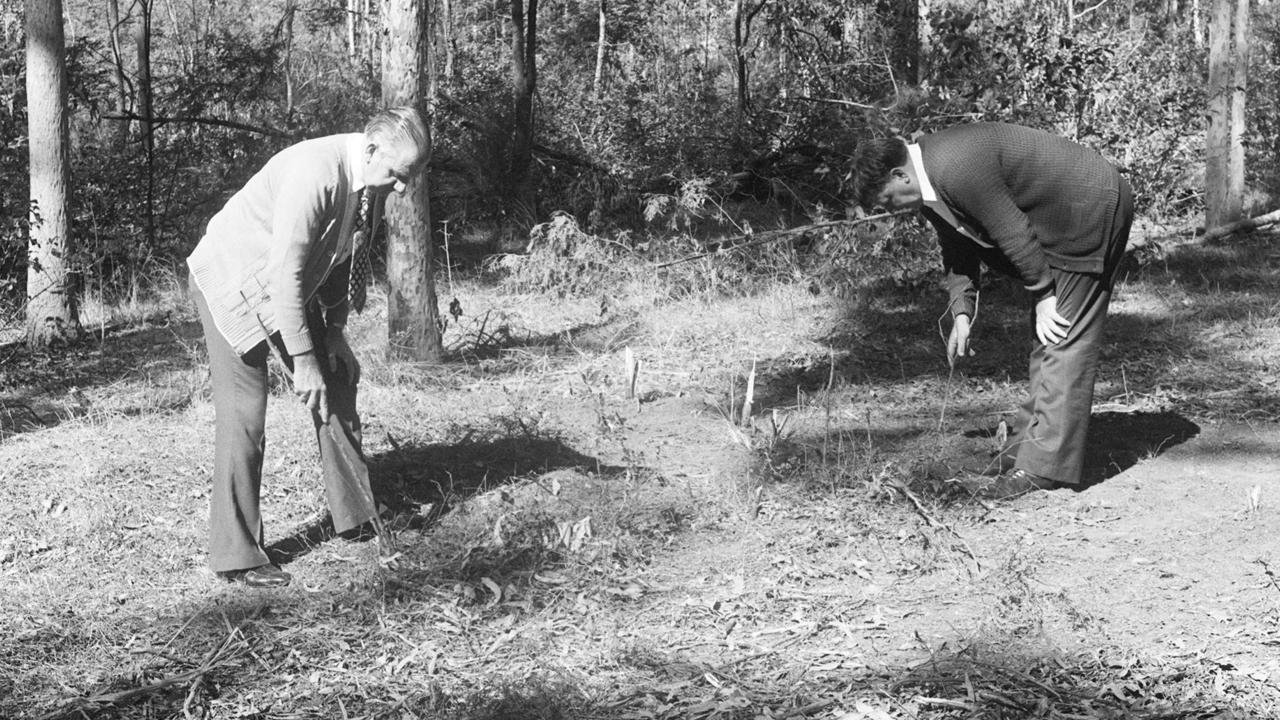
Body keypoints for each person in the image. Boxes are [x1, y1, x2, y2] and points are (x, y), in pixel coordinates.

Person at [187, 106, 430, 586]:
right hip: (234, 280)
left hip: (284, 288)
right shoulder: (313, 173)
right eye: (399, 175)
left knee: (337, 378)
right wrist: (302, 361)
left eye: (410, 178)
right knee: (246, 411)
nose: (402, 188)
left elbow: (344, 257)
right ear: (372, 147)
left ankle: (357, 513)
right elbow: (285, 274)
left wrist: (334, 332)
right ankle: (235, 554)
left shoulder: (371, 184)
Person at [850, 122, 1133, 498]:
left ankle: (1041, 468)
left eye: (887, 202)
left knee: (1063, 337)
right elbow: (958, 250)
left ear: (900, 175)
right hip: (1063, 216)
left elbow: (1010, 228)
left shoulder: (954, 166)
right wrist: (962, 313)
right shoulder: (931, 186)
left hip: (1087, 209)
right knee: (1047, 339)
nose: (891, 212)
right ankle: (1026, 449)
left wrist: (1044, 294)